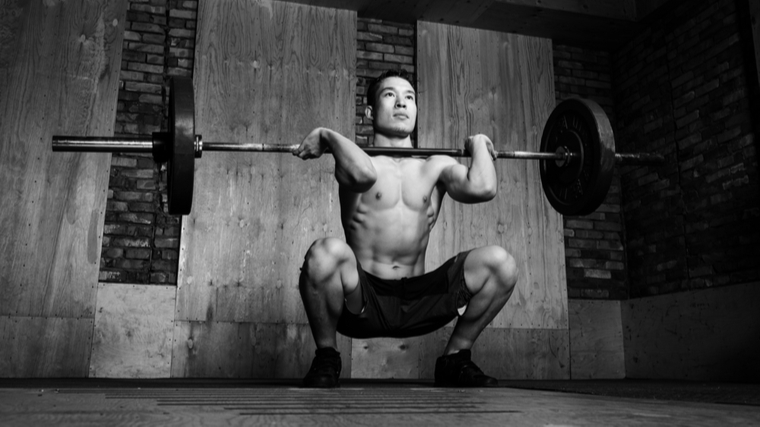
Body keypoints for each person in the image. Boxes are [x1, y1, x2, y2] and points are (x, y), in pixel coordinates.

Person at [293, 70, 518, 388]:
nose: (402, 103)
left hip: (421, 299)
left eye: (409, 97)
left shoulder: (435, 165)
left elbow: (482, 187)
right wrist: (328, 136)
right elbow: (361, 175)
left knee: (502, 264)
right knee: (324, 252)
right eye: (389, 95)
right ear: (370, 111)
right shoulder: (354, 158)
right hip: (362, 301)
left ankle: (454, 358)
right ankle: (327, 357)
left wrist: (479, 144)